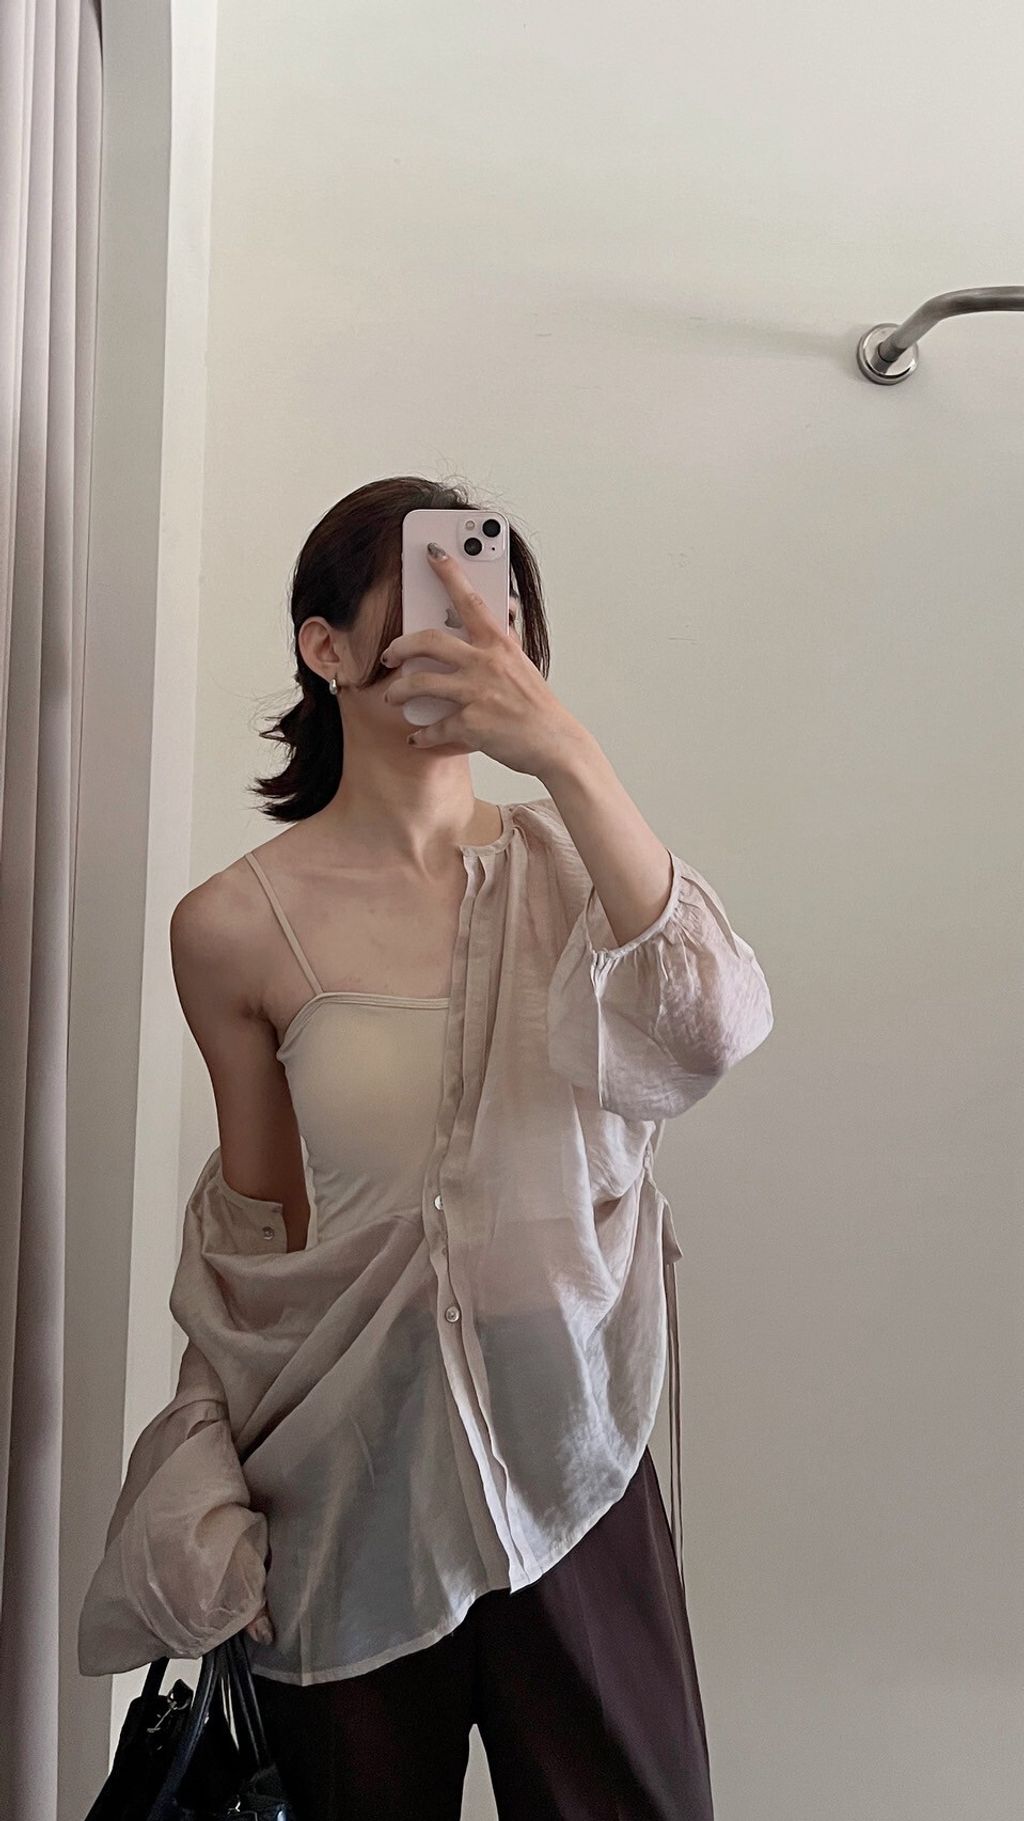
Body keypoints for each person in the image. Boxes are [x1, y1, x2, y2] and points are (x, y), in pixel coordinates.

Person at [87, 475, 774, 1819]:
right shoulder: (232, 925)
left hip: (571, 1449)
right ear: (327, 646)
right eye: (431, 602)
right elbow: (258, 1239)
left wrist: (565, 754)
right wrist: (205, 1473)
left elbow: (714, 1026)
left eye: (495, 611)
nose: (471, 634)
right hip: (346, 1479)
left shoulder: (576, 870)